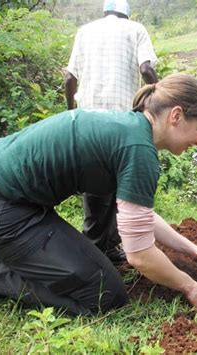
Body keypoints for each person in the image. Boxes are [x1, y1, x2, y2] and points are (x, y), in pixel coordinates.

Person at [0, 74, 197, 315]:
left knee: (94, 276)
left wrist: (192, 250)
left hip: (13, 198)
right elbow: (140, 255)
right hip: (4, 207)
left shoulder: (129, 129)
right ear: (176, 116)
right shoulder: (138, 150)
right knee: (103, 295)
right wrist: (189, 286)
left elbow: (140, 217)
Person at [65, 0, 159, 263]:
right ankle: (97, 254)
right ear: (126, 13)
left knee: (96, 184)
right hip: (121, 119)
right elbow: (146, 68)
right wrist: (160, 94)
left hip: (88, 120)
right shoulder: (136, 29)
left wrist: (70, 111)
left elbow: (69, 79)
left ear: (105, 11)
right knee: (119, 183)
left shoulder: (85, 31)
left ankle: (106, 247)